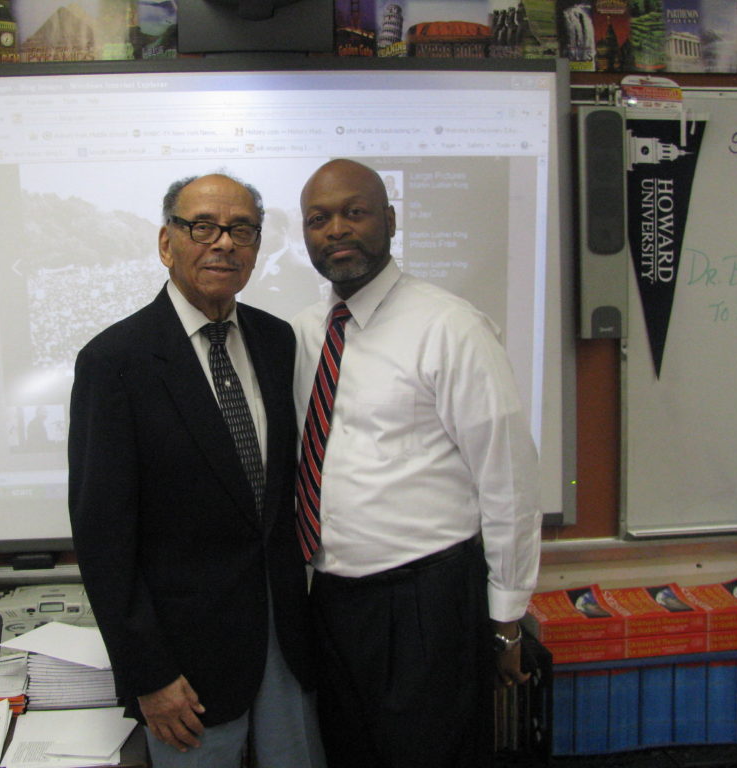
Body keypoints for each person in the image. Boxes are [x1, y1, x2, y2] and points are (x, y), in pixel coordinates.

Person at [68, 173, 324, 768]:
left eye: (241, 230)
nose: (224, 243)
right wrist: (148, 673)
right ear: (166, 243)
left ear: (257, 248)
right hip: (184, 667)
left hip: (285, 639)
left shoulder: (277, 340)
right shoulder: (114, 362)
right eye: (202, 226)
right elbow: (102, 537)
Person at [292, 158, 542, 768]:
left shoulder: (449, 327)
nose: (337, 230)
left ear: (391, 220)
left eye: (356, 212)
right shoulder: (302, 332)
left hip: (426, 603)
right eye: (318, 219)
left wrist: (507, 620)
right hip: (329, 603)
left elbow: (509, 478)